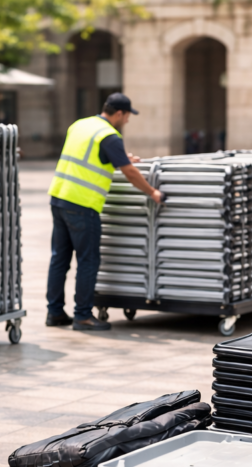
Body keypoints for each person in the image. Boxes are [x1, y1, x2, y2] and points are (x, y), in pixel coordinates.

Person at [46, 93, 164, 331]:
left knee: (59, 259)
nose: (128, 121)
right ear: (119, 114)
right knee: (88, 261)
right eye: (128, 116)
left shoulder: (81, 124)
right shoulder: (109, 136)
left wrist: (120, 158)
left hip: (59, 197)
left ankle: (55, 313)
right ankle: (83, 316)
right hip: (82, 205)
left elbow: (87, 155)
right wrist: (153, 192)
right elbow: (130, 173)